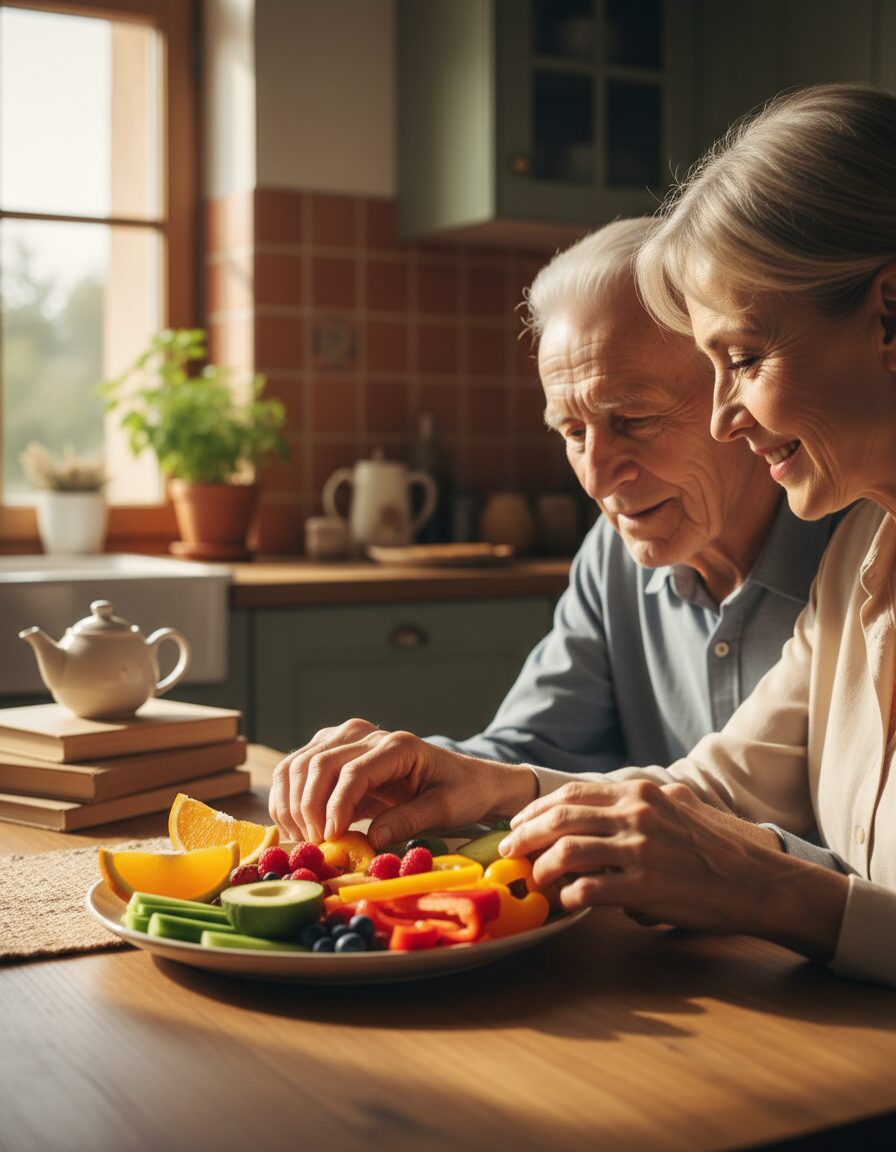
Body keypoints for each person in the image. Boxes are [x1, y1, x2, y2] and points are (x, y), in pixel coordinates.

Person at [272, 82, 896, 987]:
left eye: (747, 359)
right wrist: (489, 784)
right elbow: (710, 791)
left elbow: (750, 860)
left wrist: (779, 894)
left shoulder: (837, 538)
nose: (728, 417)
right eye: (572, 431)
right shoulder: (862, 564)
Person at [270, 220, 844, 867]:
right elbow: (531, 754)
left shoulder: (860, 543)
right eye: (572, 432)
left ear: (733, 385)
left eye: (633, 421)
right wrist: (409, 774)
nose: (598, 478)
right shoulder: (612, 551)